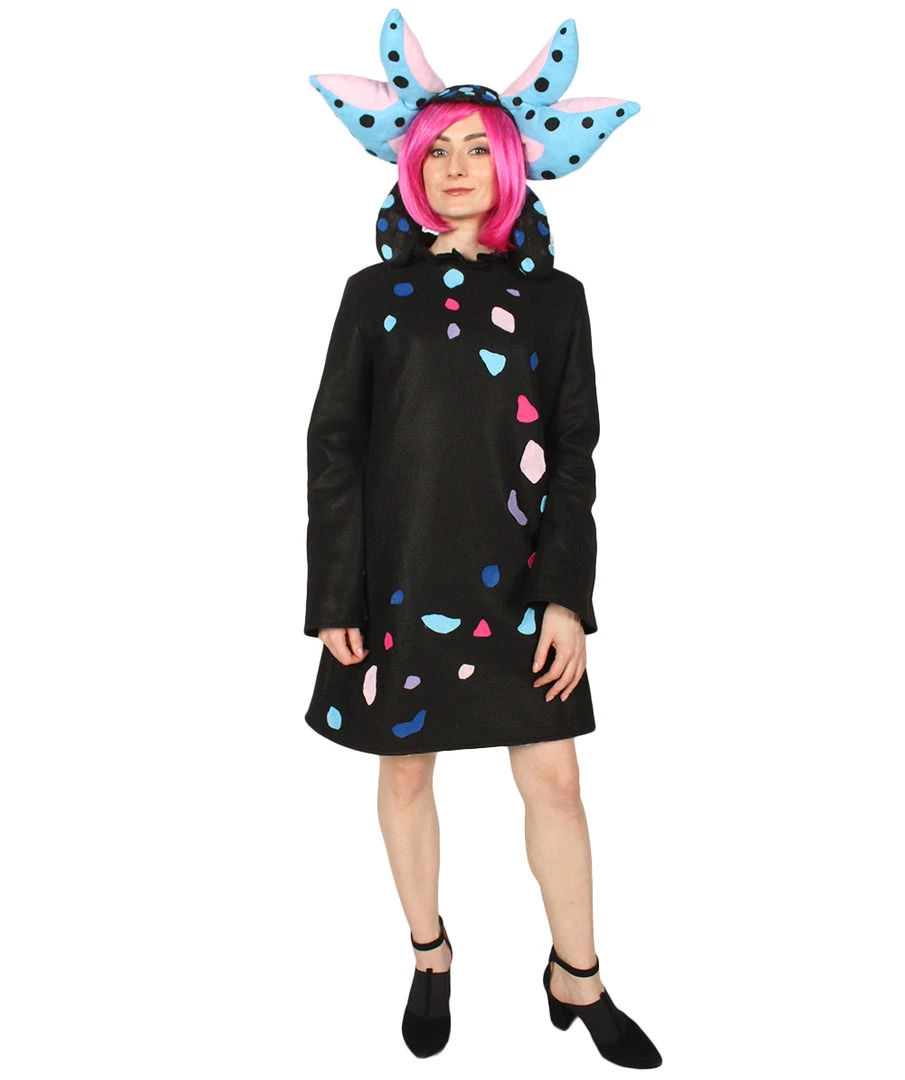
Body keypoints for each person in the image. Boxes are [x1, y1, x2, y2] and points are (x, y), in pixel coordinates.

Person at [303, 10, 661, 1067]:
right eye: (437, 152)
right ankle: (429, 954)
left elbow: (574, 455)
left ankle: (576, 972)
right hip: (396, 579)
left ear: (509, 166)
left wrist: (564, 599)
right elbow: (334, 447)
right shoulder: (374, 296)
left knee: (554, 783)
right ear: (411, 167)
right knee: (404, 775)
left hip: (517, 584)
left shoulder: (556, 302)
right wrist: (334, 596)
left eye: (475, 149)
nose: (455, 168)